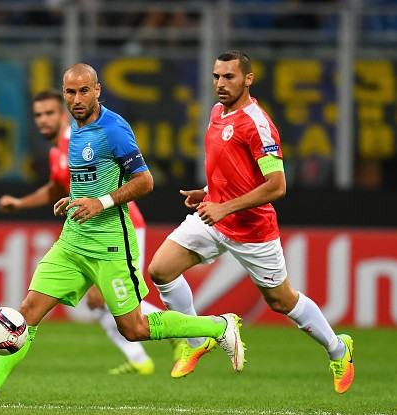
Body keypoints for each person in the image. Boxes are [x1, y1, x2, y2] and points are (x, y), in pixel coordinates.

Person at [0, 63, 245, 407]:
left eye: (84, 91)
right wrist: (74, 199)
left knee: (133, 328)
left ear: (97, 90)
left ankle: (218, 327)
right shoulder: (74, 129)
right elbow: (94, 176)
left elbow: (145, 182)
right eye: (70, 92)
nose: (77, 99)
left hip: (110, 244)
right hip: (72, 241)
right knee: (27, 311)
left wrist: (100, 203)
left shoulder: (114, 129)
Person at [148, 50, 354, 393]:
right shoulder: (216, 113)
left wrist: (225, 207)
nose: (220, 84)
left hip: (252, 230)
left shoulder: (257, 123)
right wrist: (207, 191)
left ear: (248, 79)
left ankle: (338, 349)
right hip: (214, 214)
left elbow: (277, 185)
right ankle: (199, 339)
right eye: (216, 76)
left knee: (281, 301)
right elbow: (234, 171)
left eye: (229, 77)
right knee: (160, 270)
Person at [0, 89, 182, 375]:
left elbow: (133, 180)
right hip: (90, 230)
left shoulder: (82, 136)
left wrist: (102, 204)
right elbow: (56, 189)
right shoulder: (58, 150)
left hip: (120, 225)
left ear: (63, 113)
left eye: (49, 113)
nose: (43, 121)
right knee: (101, 304)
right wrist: (21, 203)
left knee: (105, 301)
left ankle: (174, 334)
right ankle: (141, 357)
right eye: (37, 115)